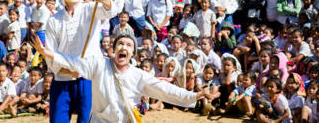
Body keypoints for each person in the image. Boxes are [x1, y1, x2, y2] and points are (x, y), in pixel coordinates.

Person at [33, 32, 211, 122]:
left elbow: (164, 89)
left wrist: (193, 96)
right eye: (120, 44)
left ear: (132, 52)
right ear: (114, 49)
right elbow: (73, 62)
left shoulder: (138, 75)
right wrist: (49, 53)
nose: (123, 47)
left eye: (128, 44)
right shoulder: (98, 64)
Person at [45, 0, 118, 123]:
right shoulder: (53, 20)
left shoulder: (91, 9)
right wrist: (68, 70)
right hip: (62, 80)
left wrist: (105, 0)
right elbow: (50, 54)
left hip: (88, 80)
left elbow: (112, 11)